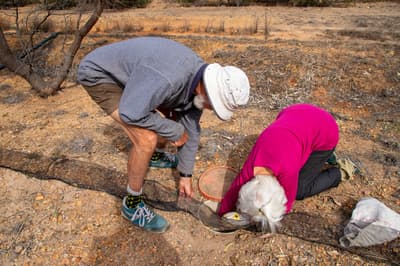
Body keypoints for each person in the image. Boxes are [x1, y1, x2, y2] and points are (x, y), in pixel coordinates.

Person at [77, 37, 250, 233]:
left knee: (168, 118)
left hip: (138, 77)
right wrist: (174, 130)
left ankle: (155, 156)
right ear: (207, 90)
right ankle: (132, 204)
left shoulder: (197, 83)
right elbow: (130, 112)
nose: (211, 109)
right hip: (102, 75)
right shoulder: (169, 79)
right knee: (147, 138)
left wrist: (185, 175)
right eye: (215, 104)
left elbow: (191, 129)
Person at [218, 103, 359, 232]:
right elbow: (235, 190)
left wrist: (264, 220)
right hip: (294, 112)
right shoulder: (251, 168)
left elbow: (287, 204)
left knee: (301, 189)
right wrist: (222, 215)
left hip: (327, 130)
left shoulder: (288, 172)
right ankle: (320, 153)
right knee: (302, 146)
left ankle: (340, 172)